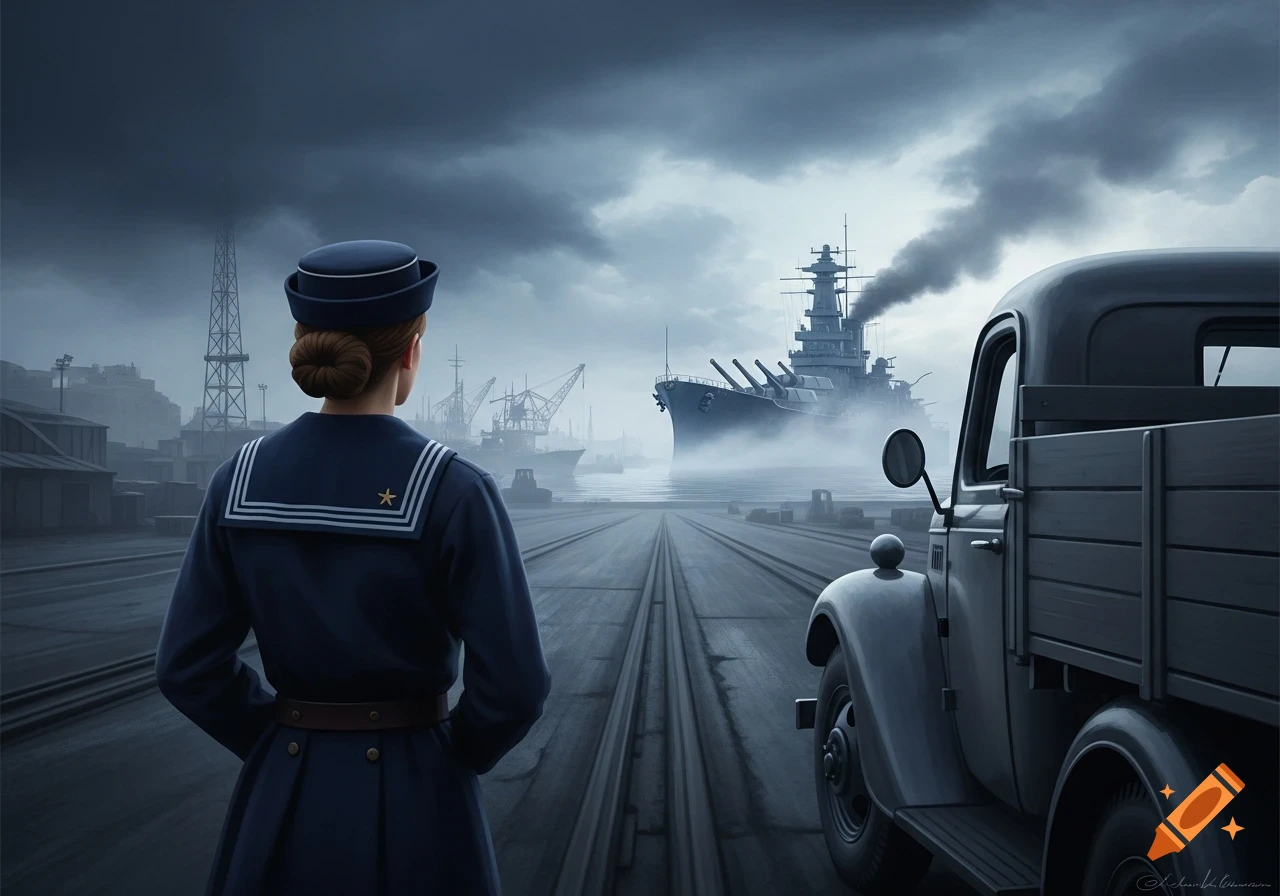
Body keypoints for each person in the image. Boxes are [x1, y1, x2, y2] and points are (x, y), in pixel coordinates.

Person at [155, 240, 551, 895]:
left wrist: (281, 741)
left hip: (281, 784)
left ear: (308, 344)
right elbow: (516, 689)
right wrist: (451, 757)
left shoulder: (240, 478)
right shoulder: (453, 488)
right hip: (419, 790)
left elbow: (184, 668)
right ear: (410, 352)